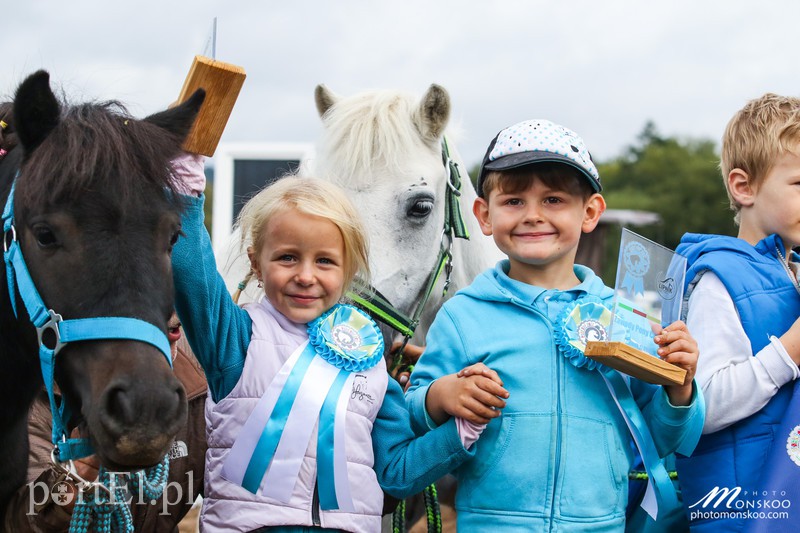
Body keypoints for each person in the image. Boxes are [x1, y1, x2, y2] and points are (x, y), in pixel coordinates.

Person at [169, 155, 507, 533]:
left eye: (325, 261)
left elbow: (396, 474)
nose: (306, 275)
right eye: (287, 257)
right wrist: (185, 191)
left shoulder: (371, 358)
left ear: (349, 271)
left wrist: (460, 432)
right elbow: (191, 273)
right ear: (255, 264)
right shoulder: (234, 337)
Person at [405, 119, 706, 532]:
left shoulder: (626, 318)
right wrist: (442, 396)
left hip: (601, 525)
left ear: (590, 212)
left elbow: (665, 439)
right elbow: (413, 415)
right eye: (513, 201)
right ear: (483, 214)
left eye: (553, 200)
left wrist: (680, 386)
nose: (532, 216)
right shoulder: (463, 315)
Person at [674, 93, 800, 532]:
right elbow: (701, 408)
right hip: (741, 513)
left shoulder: (792, 274)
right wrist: (788, 353)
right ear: (743, 187)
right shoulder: (718, 280)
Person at [2, 314, 208, 532]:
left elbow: (235, 503)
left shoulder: (205, 367)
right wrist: (70, 484)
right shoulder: (33, 403)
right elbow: (16, 524)